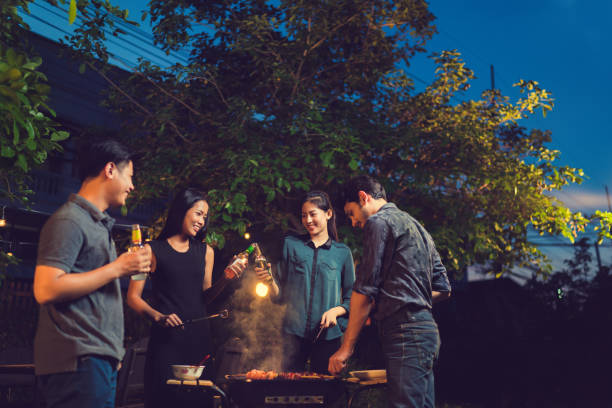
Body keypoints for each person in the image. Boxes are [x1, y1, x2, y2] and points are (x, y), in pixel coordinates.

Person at [33, 140, 152, 408]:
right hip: (77, 361)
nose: (132, 186)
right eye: (130, 176)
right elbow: (46, 288)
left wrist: (111, 351)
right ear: (110, 170)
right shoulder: (70, 220)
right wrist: (118, 268)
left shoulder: (97, 226)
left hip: (96, 360)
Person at [328, 175, 452, 408]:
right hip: (426, 333)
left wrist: (345, 349)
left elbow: (364, 291)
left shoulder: (378, 223)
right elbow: (443, 290)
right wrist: (398, 299)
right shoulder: (418, 227)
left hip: (404, 332)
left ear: (363, 198)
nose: (353, 223)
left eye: (351, 213)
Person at [126, 187, 246, 408]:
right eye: (198, 213)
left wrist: (226, 278)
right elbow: (133, 297)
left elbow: (205, 298)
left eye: (205, 216)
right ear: (182, 209)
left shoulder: (206, 252)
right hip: (165, 344)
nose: (202, 220)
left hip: (199, 344)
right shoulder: (149, 250)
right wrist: (159, 317)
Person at [255, 191, 355, 374]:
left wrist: (336, 311)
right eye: (303, 215)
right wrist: (270, 281)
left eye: (312, 214)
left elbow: (352, 299)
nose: (308, 220)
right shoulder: (291, 245)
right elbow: (280, 296)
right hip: (293, 334)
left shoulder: (342, 253)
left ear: (328, 214)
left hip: (328, 336)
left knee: (323, 394)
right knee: (288, 392)